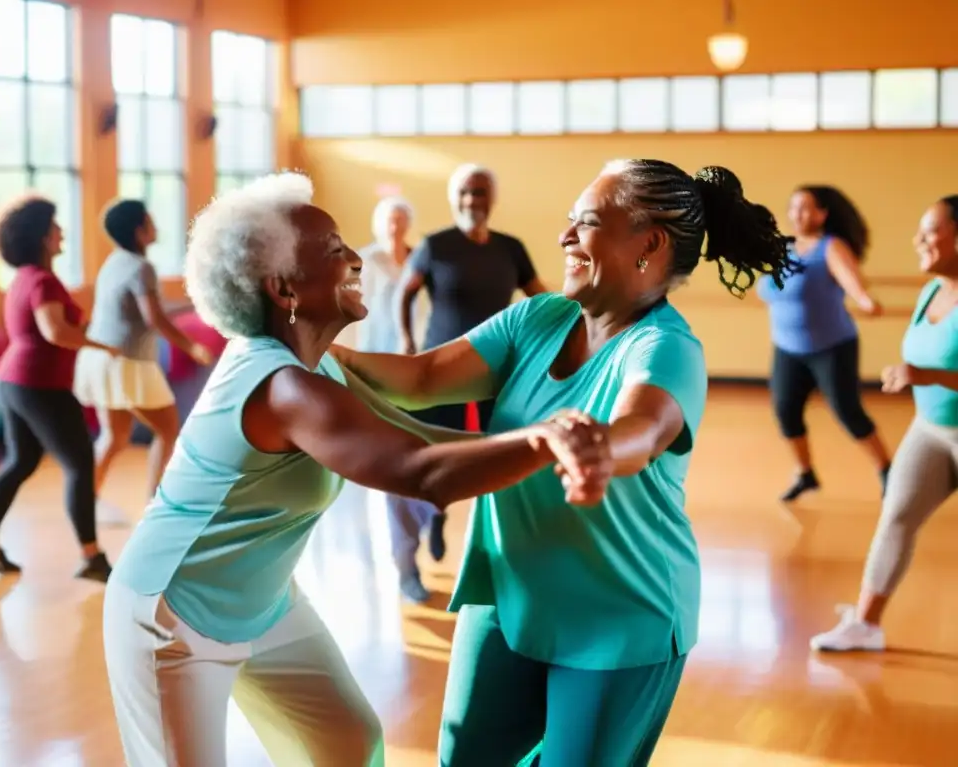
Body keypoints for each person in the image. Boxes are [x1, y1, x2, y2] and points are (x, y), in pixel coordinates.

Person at [101, 172, 604, 767]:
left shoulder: (317, 367)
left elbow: (423, 437)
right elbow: (423, 472)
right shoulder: (284, 386)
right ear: (285, 289)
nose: (356, 261)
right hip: (171, 616)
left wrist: (542, 445)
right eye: (335, 251)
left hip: (264, 602)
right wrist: (545, 442)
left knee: (346, 745)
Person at [334, 159, 797, 766]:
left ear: (649, 244)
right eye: (569, 223)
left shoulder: (666, 347)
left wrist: (600, 449)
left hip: (619, 618)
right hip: (510, 595)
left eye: (586, 223)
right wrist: (300, 349)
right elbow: (420, 377)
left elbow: (646, 425)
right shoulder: (539, 318)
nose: (565, 237)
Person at [811, 195, 958, 653]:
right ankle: (866, 625)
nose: (918, 240)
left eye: (930, 230)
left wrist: (926, 375)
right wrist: (918, 376)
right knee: (896, 516)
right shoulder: (932, 289)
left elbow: (932, 368)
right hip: (931, 428)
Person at [0, 194, 117, 582]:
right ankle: (93, 556)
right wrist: (102, 344)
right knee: (80, 465)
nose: (61, 231)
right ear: (42, 237)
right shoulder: (44, 280)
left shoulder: (24, 278)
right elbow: (55, 332)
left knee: (21, 461)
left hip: (14, 379)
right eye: (55, 226)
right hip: (40, 384)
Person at [398, 163, 549, 556]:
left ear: (492, 199)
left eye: (479, 192)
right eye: (465, 192)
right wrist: (406, 338)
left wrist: (570, 321)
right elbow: (406, 292)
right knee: (436, 452)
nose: (472, 200)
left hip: (496, 370)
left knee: (497, 451)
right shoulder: (436, 246)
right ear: (454, 198)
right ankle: (436, 517)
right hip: (441, 365)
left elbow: (540, 298)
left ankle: (494, 537)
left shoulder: (510, 248)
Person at [74, 199, 213, 513]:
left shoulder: (116, 261)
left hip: (102, 359)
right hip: (129, 363)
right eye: (151, 222)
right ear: (139, 231)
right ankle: (156, 503)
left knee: (114, 436)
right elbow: (154, 319)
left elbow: (150, 312)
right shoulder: (142, 267)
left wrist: (195, 304)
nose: (156, 227)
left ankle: (86, 502)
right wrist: (191, 346)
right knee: (167, 431)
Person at [758, 185, 891, 502]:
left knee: (848, 412)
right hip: (787, 348)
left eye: (805, 208)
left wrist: (865, 300)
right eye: (793, 207)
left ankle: (887, 468)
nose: (797, 214)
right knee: (785, 411)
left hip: (832, 347)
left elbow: (850, 279)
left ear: (822, 213)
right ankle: (805, 474)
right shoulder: (782, 248)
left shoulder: (830, 247)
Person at [358, 196, 441, 603]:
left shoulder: (423, 256)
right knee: (394, 469)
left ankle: (434, 515)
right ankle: (406, 567)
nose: (394, 226)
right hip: (378, 372)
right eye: (388, 219)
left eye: (400, 219)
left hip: (424, 368)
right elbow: (354, 314)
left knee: (434, 453)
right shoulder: (364, 260)